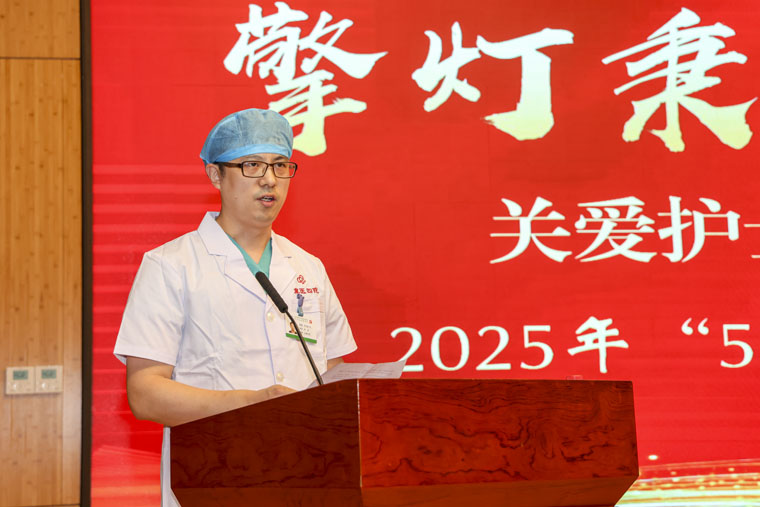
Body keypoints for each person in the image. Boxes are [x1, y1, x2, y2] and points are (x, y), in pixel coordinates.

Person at [113, 108, 357, 506]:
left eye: (280, 165)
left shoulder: (308, 267)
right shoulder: (171, 265)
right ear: (215, 175)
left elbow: (333, 376)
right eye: (252, 165)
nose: (269, 179)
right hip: (212, 475)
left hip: (307, 477)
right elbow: (145, 393)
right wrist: (248, 404)